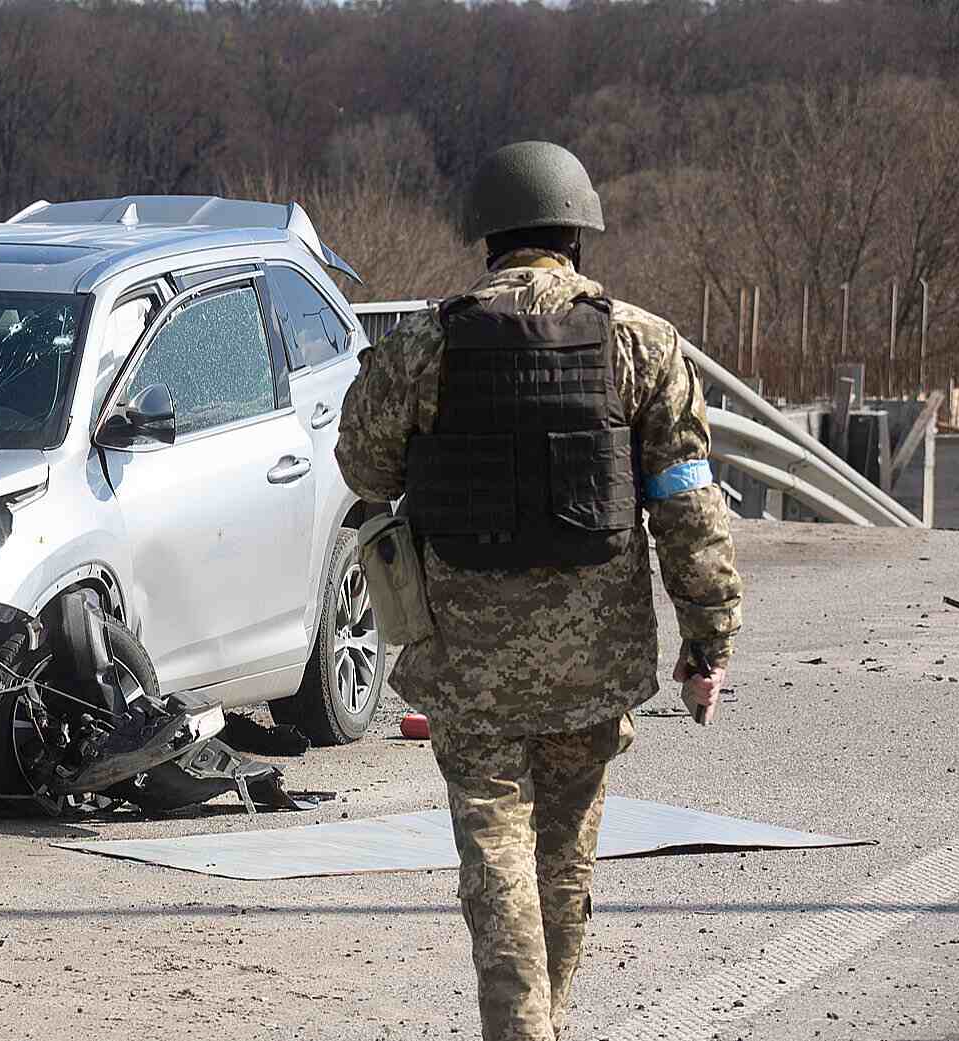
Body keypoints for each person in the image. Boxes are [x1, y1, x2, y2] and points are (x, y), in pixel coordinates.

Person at [334, 140, 743, 1041]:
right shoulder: (641, 341)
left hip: (467, 657)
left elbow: (361, 465)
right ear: (575, 232)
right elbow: (687, 502)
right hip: (593, 661)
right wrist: (706, 639)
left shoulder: (422, 345)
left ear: (488, 235)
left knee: (496, 861)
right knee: (562, 860)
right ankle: (541, 1025)